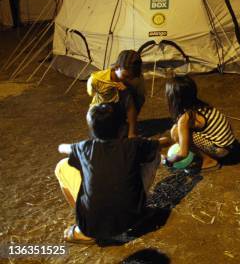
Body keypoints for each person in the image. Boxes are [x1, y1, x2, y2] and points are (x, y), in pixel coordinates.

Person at [55, 103, 168, 243]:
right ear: (122, 129)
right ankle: (139, 211)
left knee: (61, 166)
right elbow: (162, 142)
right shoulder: (134, 145)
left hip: (92, 227)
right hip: (132, 218)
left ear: (92, 130)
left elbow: (61, 148)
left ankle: (86, 226)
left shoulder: (84, 148)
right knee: (154, 154)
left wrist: (73, 149)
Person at [165, 75, 236, 171]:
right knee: (179, 130)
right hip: (230, 145)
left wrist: (169, 160)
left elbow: (183, 153)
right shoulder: (200, 105)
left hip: (222, 151)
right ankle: (203, 155)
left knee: (176, 132)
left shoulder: (186, 118)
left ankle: (209, 160)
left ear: (173, 98)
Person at [87, 50, 145, 138]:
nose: (128, 80)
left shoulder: (137, 78)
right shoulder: (96, 79)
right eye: (126, 76)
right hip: (101, 110)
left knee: (134, 96)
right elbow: (91, 93)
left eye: (131, 78)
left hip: (118, 107)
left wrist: (131, 133)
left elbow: (131, 105)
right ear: (117, 67)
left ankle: (124, 125)